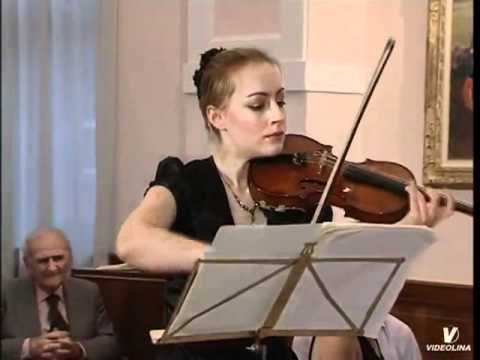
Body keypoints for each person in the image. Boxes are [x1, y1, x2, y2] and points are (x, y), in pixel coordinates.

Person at [116, 47, 454, 360]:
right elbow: (132, 241)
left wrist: (412, 226)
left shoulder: (303, 198)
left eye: (280, 101)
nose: (277, 116)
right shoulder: (185, 180)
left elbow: (337, 288)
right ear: (217, 116)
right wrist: (223, 260)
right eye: (258, 105)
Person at [2, 227, 122, 360]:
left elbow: (111, 342)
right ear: (27, 264)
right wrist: (29, 347)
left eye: (58, 258)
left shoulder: (89, 291)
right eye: (43, 261)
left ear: (70, 259)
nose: (52, 268)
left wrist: (78, 349)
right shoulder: (7, 293)